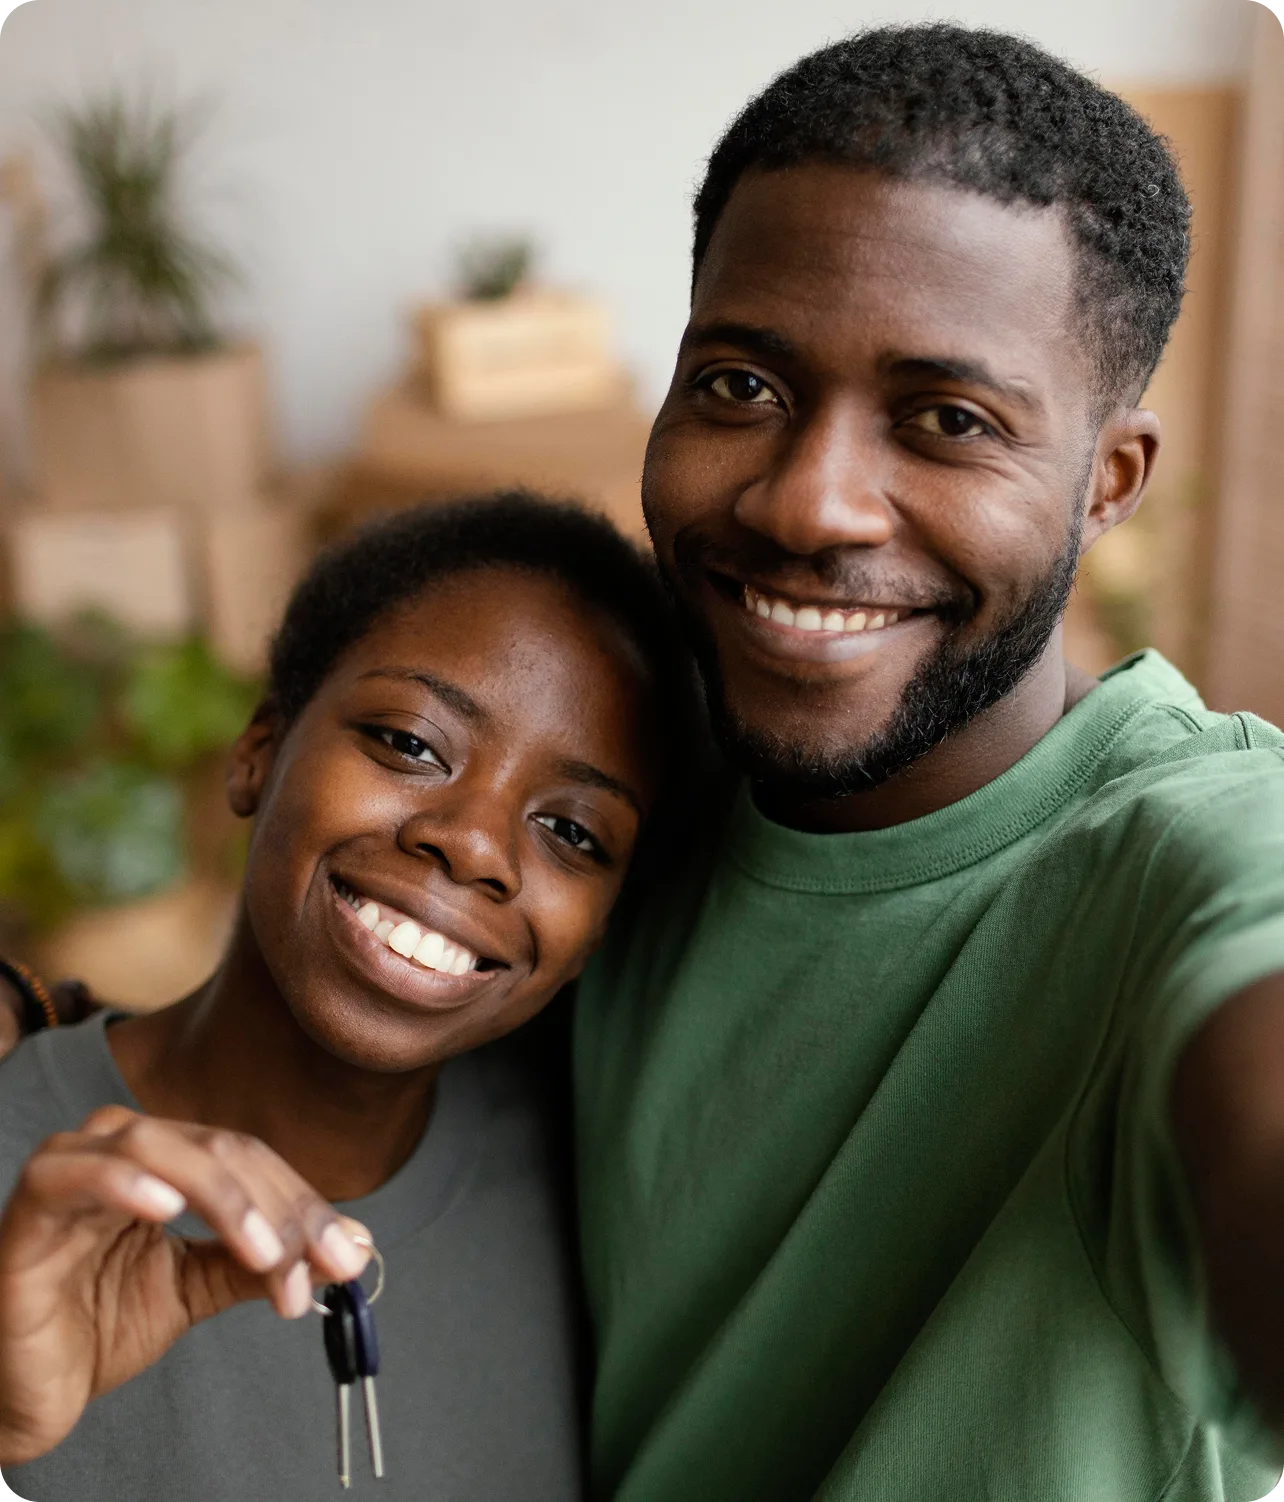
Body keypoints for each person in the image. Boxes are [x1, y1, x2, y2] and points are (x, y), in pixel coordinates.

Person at [572, 24, 1284, 1502]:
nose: (808, 502)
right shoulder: (622, 783)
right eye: (742, 385)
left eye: (947, 421)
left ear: (1109, 481)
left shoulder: (1188, 847)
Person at [0, 491, 693, 1500]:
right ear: (257, 747)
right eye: (410, 742)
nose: (473, 842)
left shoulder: (596, 1184)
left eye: (575, 833)